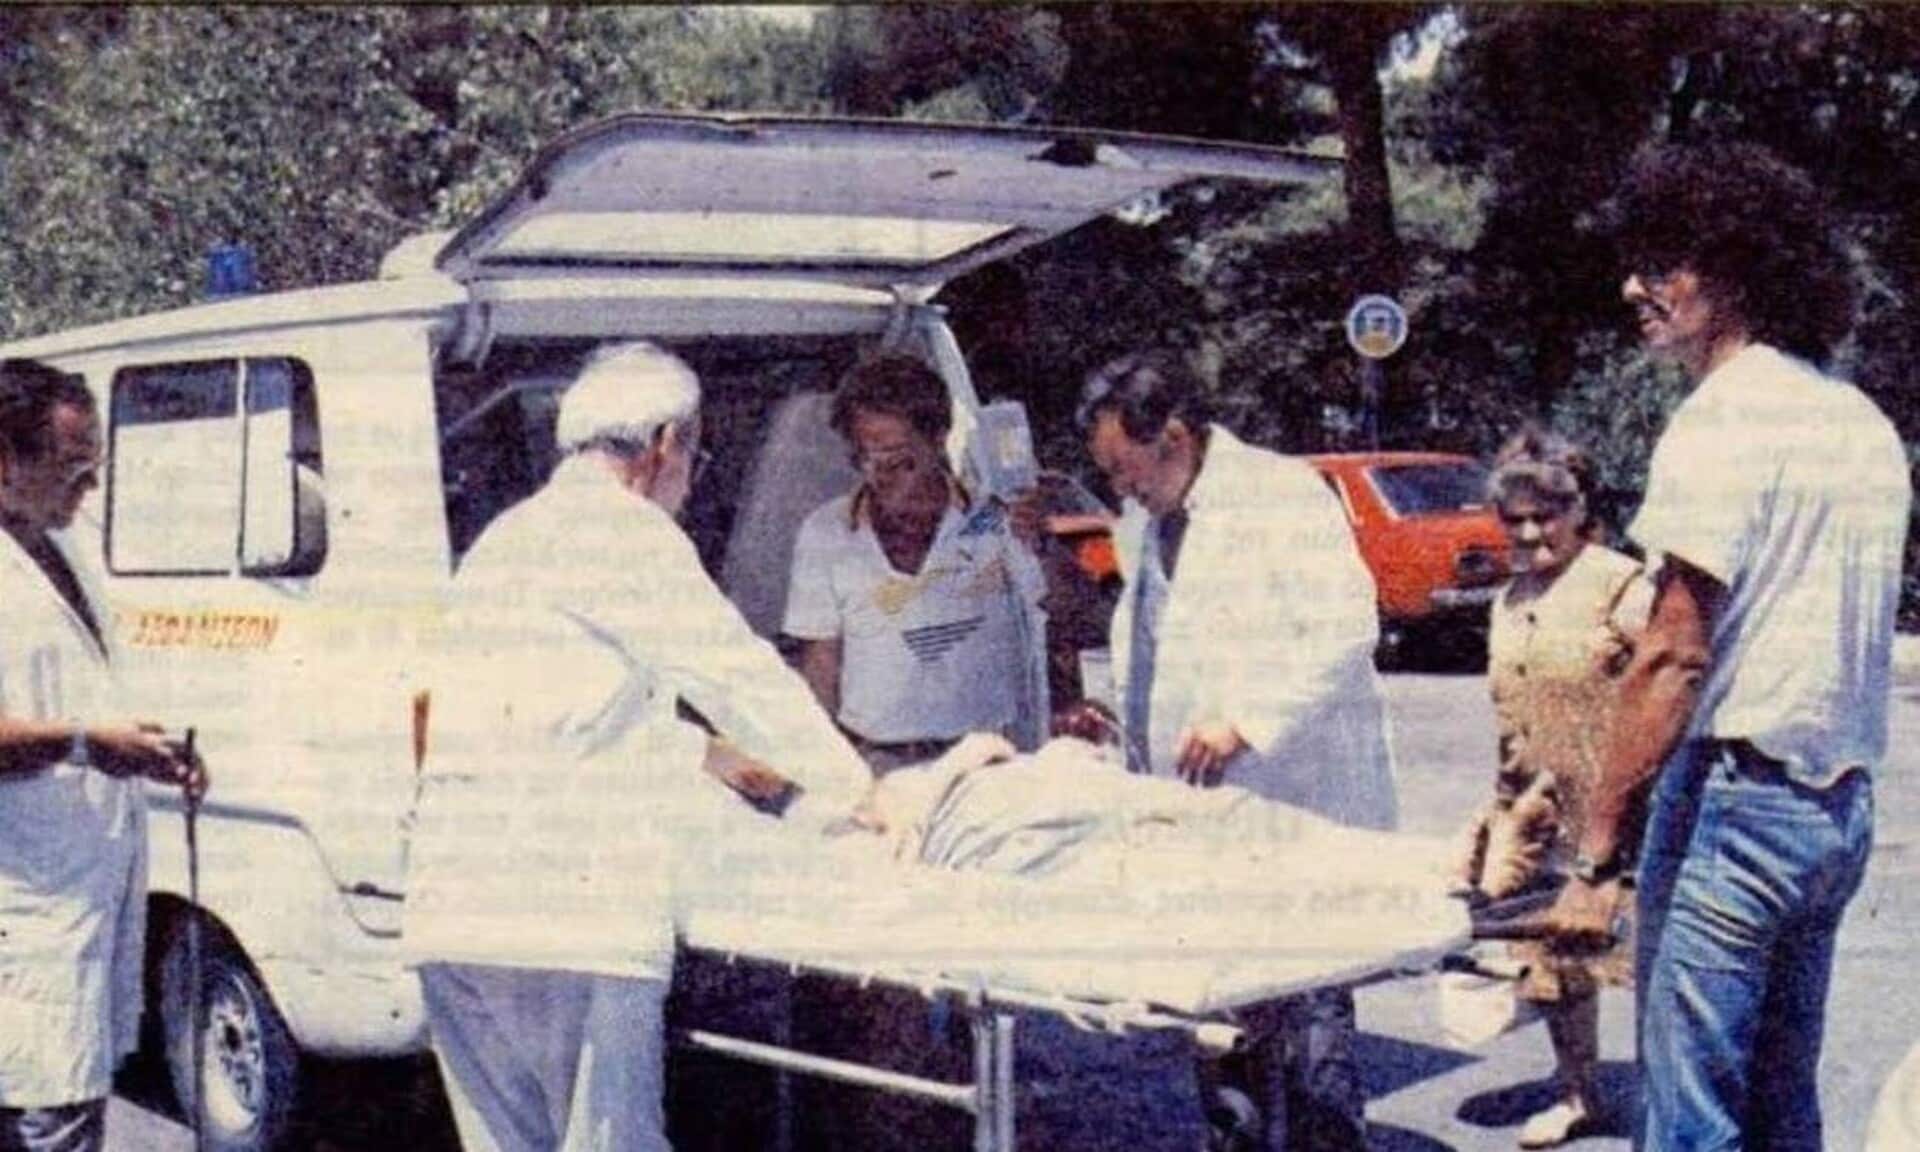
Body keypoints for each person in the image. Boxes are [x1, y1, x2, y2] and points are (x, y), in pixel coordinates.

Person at [405, 342, 868, 1152]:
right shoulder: (627, 532)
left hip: (452, 913)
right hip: (568, 918)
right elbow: (739, 675)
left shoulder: (502, 542)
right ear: (665, 443)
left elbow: (547, 715)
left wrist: (706, 755)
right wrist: (859, 789)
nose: (691, 482)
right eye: (696, 456)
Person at [1543, 142, 1910, 1150]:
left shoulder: (1723, 417)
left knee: (1691, 1119)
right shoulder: (1858, 421)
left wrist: (1596, 856)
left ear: (1735, 268)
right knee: (1781, 1110)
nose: (1633, 288)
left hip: (1737, 804)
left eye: (1660, 264)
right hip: (1836, 807)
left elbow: (1673, 658)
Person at [1076, 349, 1397, 1150]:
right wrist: (1119, 726)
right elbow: (1155, 646)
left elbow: (1346, 628)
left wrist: (1248, 722)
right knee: (1220, 1030)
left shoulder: (1281, 495)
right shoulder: (1144, 520)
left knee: (1310, 1024)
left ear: (1174, 437)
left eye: (1123, 467)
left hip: (1291, 803)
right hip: (1195, 818)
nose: (1118, 487)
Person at [0, 358, 202, 1152]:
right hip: (25, 901)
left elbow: (67, 690)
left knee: (71, 1097)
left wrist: (144, 749)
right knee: (47, 1117)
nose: (92, 486)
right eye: (74, 466)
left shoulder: (61, 547)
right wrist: (86, 743)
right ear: (5, 460)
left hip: (77, 895)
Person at [1450, 427, 1652, 1148]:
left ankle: (1673, 1101)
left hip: (1629, 810)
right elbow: (1512, 713)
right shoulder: (1508, 599)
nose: (1532, 533)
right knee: (1558, 960)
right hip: (1543, 810)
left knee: (1655, 959)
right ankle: (1577, 1093)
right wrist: (1501, 808)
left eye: (1548, 515)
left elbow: (1673, 686)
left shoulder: (1623, 584)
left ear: (1580, 509)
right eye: (1516, 519)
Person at [785, 352, 1048, 774]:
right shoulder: (825, 532)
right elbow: (822, 664)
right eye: (864, 459)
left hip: (987, 761)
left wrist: (1041, 542)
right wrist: (827, 770)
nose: (878, 477)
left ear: (938, 439)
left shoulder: (994, 519)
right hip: (876, 761)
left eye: (898, 461)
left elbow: (1065, 616)